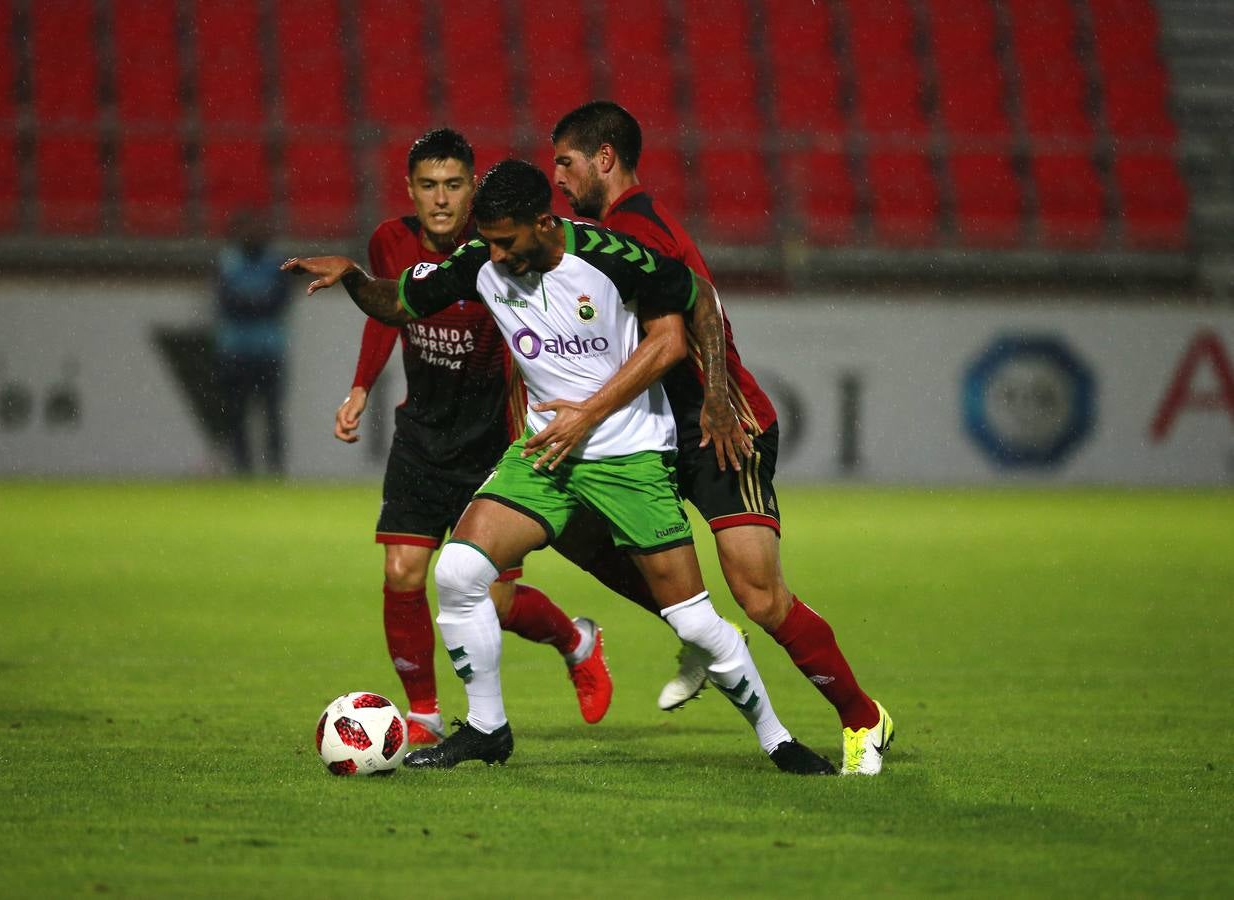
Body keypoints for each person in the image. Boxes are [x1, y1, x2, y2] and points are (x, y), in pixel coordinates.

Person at [283, 159, 835, 775]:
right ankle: (488, 729)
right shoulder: (479, 261)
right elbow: (397, 302)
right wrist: (356, 278)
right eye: (486, 240)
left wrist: (712, 395)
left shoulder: (609, 255)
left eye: (506, 241)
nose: (492, 255)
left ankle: (776, 738)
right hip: (546, 454)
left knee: (693, 619)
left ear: (544, 222)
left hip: (629, 457)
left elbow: (695, 300)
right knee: (460, 571)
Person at [550, 100, 893, 775]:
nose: (558, 176)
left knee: (760, 595)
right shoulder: (607, 228)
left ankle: (863, 718)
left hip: (722, 427)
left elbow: (701, 304)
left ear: (605, 158)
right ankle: (703, 634)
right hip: (655, 431)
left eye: (566, 161)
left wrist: (713, 403)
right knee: (570, 524)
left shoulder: (637, 227)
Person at [332, 129, 612, 745]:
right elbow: (391, 313)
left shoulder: (498, 247)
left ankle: (576, 640)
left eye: (454, 185)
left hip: (491, 440)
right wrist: (360, 387)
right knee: (403, 572)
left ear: (473, 188)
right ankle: (425, 716)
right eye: (428, 186)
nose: (441, 199)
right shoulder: (390, 240)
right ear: (410, 190)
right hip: (422, 436)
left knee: (498, 602)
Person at [215, 210, 292, 475]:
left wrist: (248, 302)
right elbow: (226, 303)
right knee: (236, 414)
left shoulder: (275, 263)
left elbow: (281, 302)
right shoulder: (228, 262)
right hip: (237, 350)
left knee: (272, 414)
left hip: (266, 350)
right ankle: (242, 469)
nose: (253, 235)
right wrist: (260, 302)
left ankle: (275, 468)